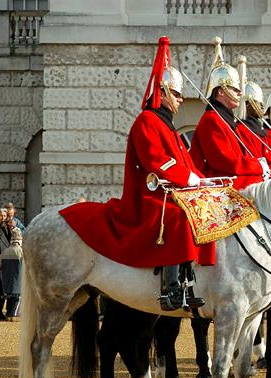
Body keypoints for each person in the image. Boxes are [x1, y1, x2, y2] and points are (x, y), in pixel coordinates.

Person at [59, 36, 213, 312]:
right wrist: (187, 178)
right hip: (148, 197)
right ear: (163, 93)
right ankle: (171, 289)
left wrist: (200, 179)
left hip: (171, 191)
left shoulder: (167, 125)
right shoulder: (147, 122)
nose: (180, 99)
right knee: (178, 218)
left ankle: (193, 278)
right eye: (176, 94)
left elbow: (184, 162)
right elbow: (156, 162)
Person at [189, 38, 267, 189]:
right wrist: (257, 166)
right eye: (235, 90)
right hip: (216, 184)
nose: (239, 94)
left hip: (228, 179)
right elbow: (224, 161)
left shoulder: (225, 119)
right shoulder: (212, 120)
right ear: (221, 91)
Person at [0, 227, 23, 320]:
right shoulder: (22, 252)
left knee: (9, 297)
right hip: (18, 278)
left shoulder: (5, 251)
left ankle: (8, 312)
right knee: (17, 298)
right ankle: (13, 314)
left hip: (6, 279)